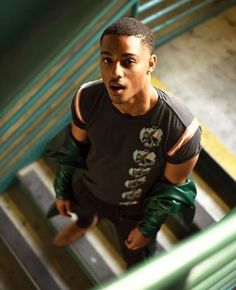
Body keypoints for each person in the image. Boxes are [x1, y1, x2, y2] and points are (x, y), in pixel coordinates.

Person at [51, 17, 201, 268]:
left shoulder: (180, 129)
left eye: (128, 61)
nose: (115, 72)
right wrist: (61, 188)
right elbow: (73, 148)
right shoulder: (86, 97)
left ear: (150, 63)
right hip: (89, 187)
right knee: (82, 211)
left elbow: (171, 190)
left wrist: (147, 228)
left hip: (132, 209)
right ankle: (85, 223)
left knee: (137, 261)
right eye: (107, 60)